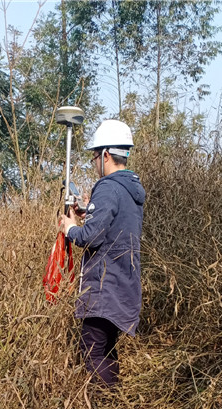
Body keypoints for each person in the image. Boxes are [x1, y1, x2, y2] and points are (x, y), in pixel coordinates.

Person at [60, 119, 146, 387]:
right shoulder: (130, 188)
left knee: (93, 351)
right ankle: (114, 402)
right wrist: (90, 211)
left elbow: (91, 237)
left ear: (106, 154)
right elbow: (114, 224)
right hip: (123, 283)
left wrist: (71, 229)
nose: (95, 163)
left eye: (95, 157)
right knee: (107, 349)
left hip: (104, 286)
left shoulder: (108, 186)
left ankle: (102, 405)